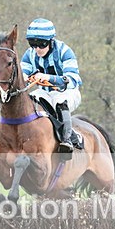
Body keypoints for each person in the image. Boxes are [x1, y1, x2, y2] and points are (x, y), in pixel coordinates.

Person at [20, 18, 83, 153]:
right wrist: (23, 78)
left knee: (60, 102)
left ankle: (67, 140)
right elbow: (23, 73)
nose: (37, 49)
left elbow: (72, 79)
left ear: (50, 41)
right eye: (33, 44)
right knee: (27, 102)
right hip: (44, 93)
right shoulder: (29, 54)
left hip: (67, 92)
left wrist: (48, 77)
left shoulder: (65, 51)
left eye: (41, 44)